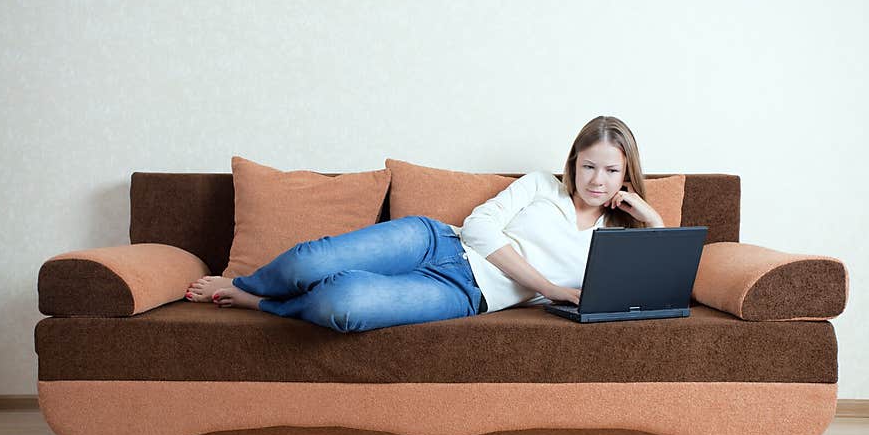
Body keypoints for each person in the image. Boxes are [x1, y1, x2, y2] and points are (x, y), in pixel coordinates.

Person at [185, 115, 664, 332]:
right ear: (572, 162)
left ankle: (259, 302)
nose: (596, 180)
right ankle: (245, 283)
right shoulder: (541, 184)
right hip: (436, 242)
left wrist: (654, 219)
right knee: (313, 260)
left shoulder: (619, 237)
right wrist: (550, 287)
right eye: (587, 166)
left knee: (344, 304)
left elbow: (658, 286)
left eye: (610, 170)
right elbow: (478, 228)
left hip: (467, 295)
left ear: (626, 174)